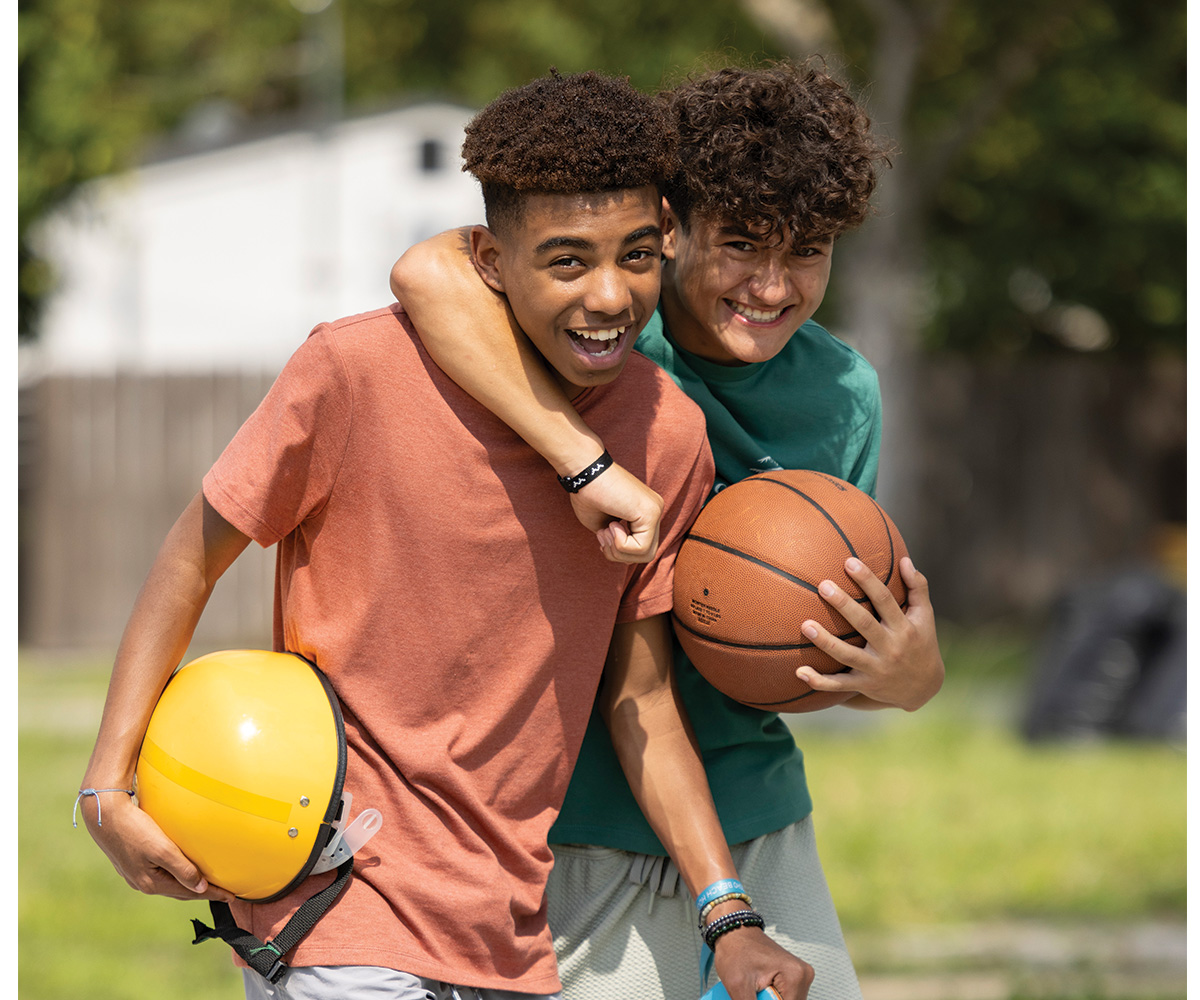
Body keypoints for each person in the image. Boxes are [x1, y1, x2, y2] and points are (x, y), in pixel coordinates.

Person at [77, 70, 813, 1000]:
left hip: (507, 934)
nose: (610, 295)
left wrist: (729, 915)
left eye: (633, 255)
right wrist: (106, 786)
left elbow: (644, 705)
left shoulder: (668, 437)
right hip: (338, 912)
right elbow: (191, 557)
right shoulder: (355, 371)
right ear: (490, 260)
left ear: (666, 237)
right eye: (565, 260)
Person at [388, 60, 946, 1000]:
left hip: (752, 805)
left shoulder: (844, 394)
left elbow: (796, 636)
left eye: (807, 251)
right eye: (741, 244)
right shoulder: (594, 332)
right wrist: (583, 457)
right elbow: (423, 269)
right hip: (574, 813)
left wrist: (902, 677)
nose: (771, 285)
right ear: (673, 227)